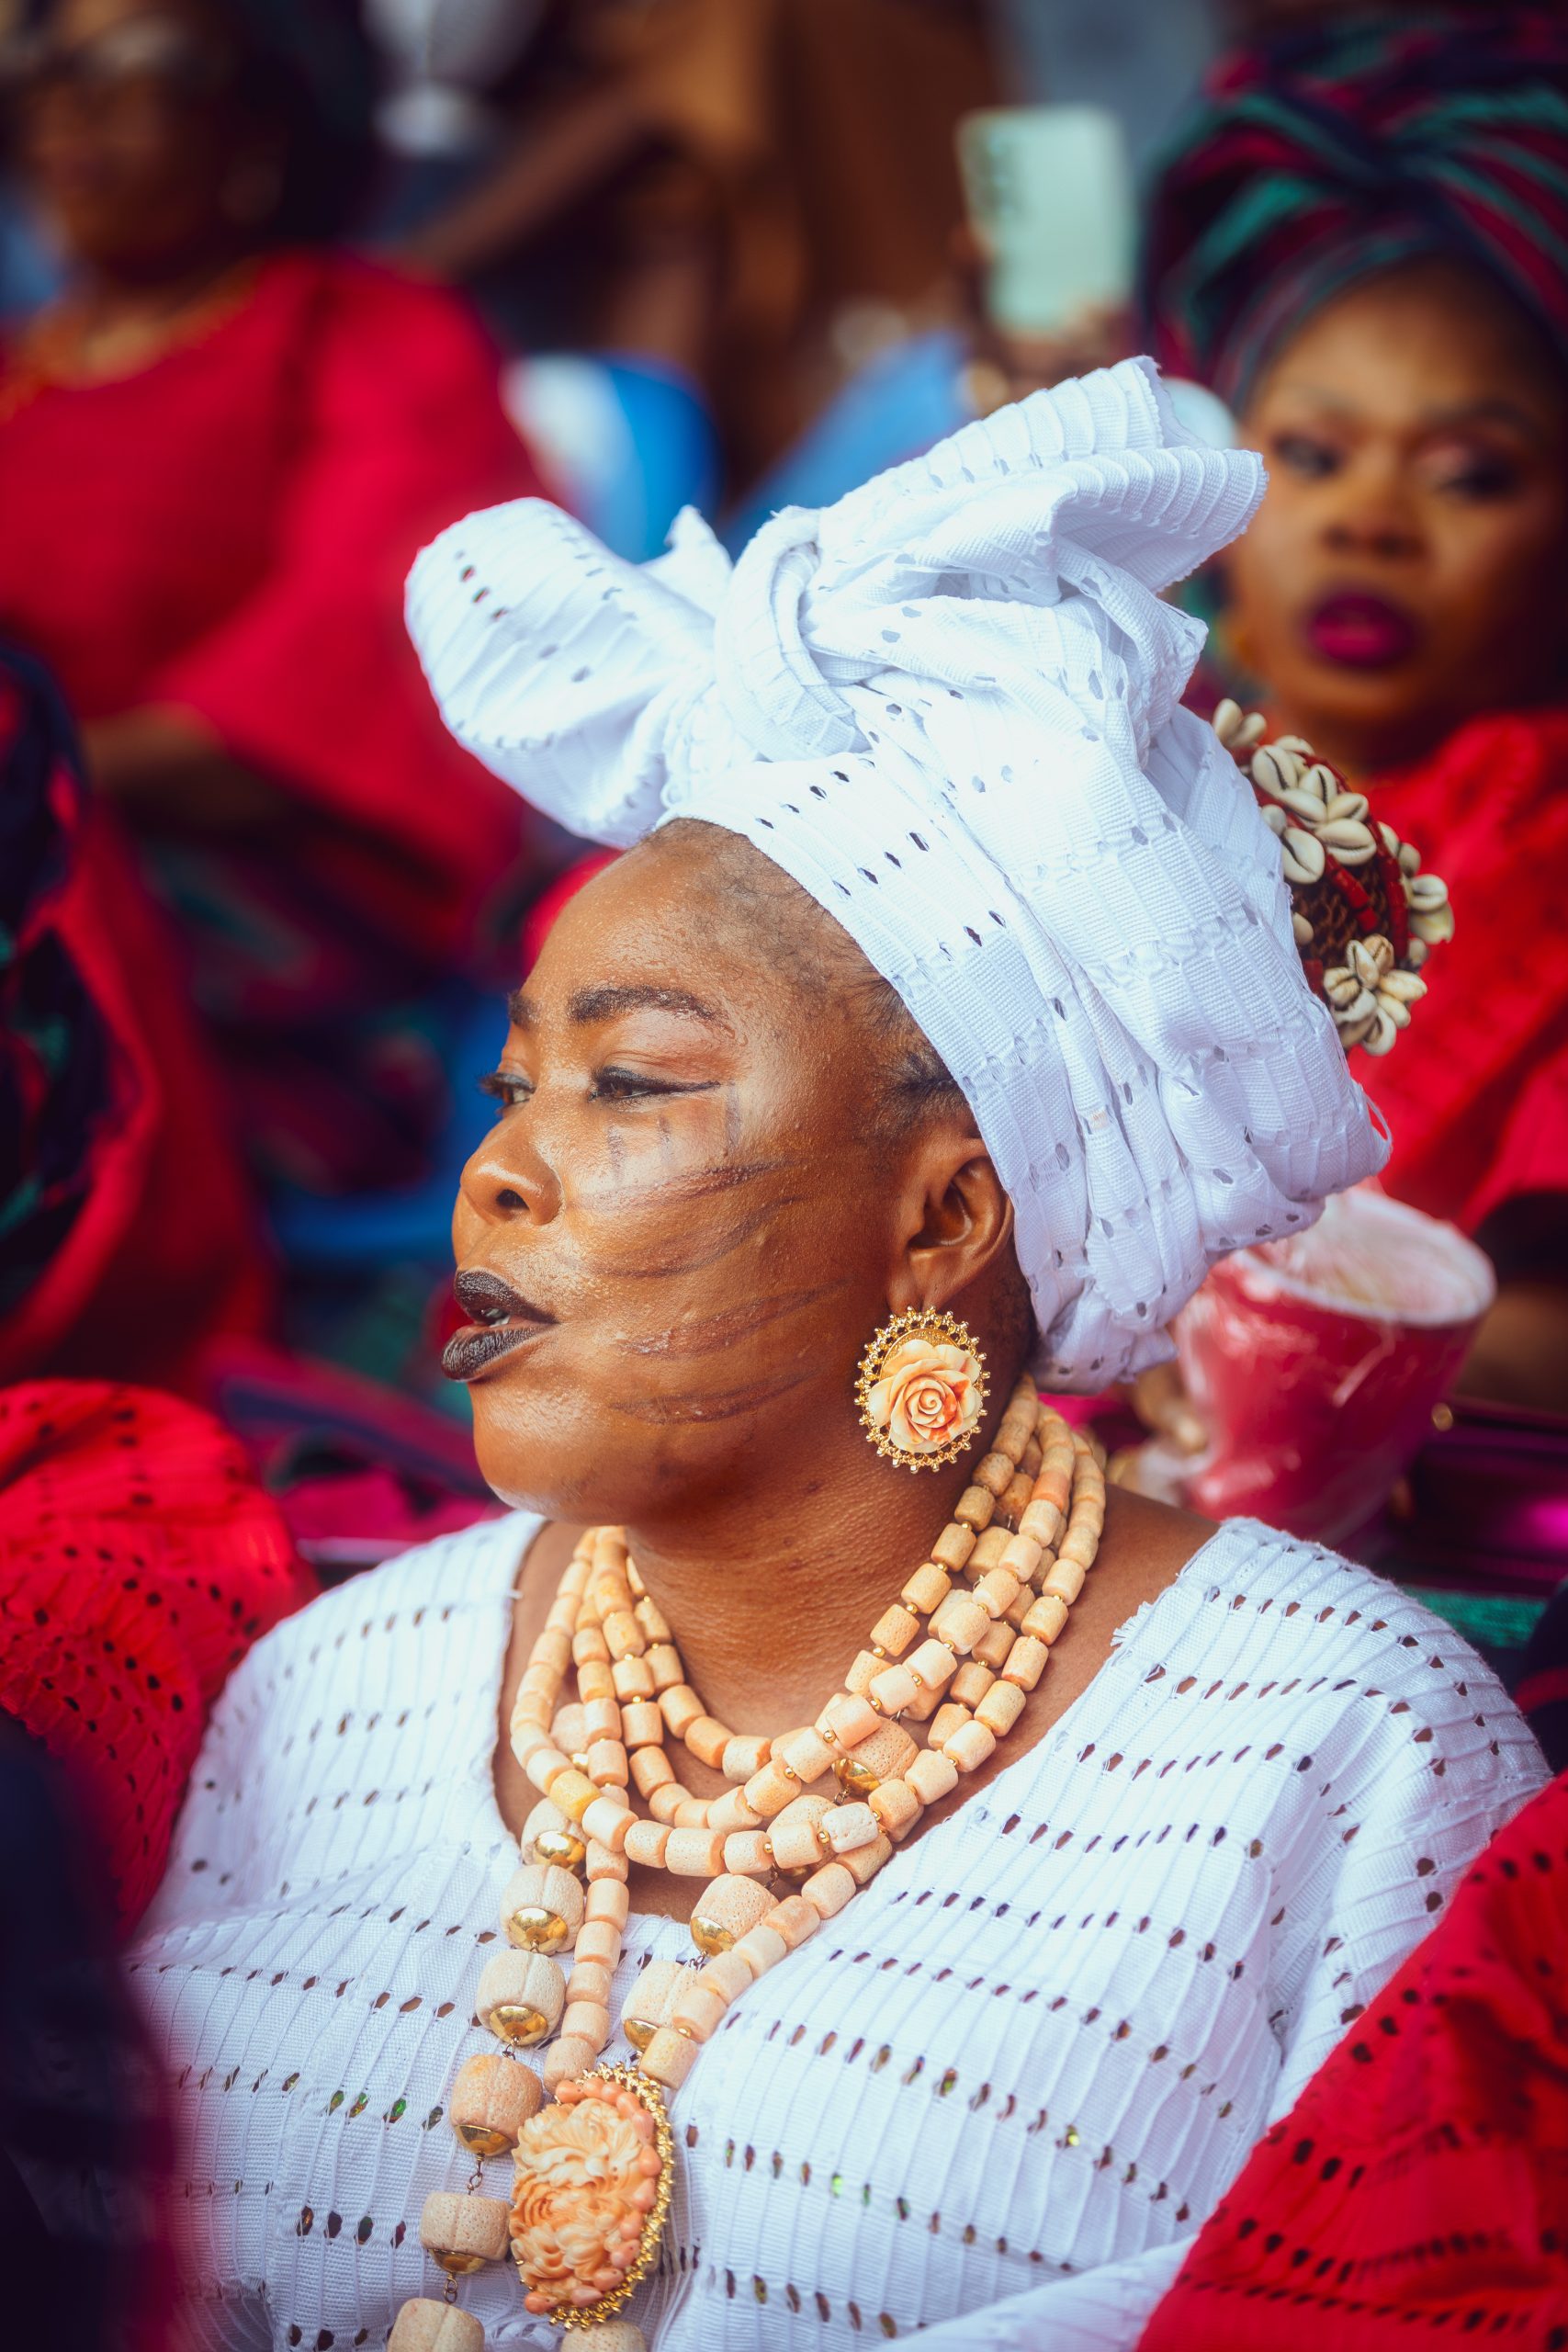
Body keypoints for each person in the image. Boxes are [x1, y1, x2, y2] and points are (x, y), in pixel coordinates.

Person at [124, 366, 1544, 2351]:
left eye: (626, 1079)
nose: (501, 1170)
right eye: (512, 1076)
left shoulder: (1329, 1753)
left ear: (944, 1219)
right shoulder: (325, 1693)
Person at [0, 0, 545, 1193]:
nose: (66, 104)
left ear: (265, 126)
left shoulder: (366, 339)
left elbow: (325, 685)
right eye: (45, 61)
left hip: (274, 945)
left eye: (135, 65)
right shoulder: (21, 369)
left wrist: (24, 775)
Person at [1141, 3, 1568, 1410]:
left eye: (1469, 475)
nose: (1370, 521)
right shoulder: (1111, 771)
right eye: (1314, 455)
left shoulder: (1546, 857)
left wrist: (1242, 1354)